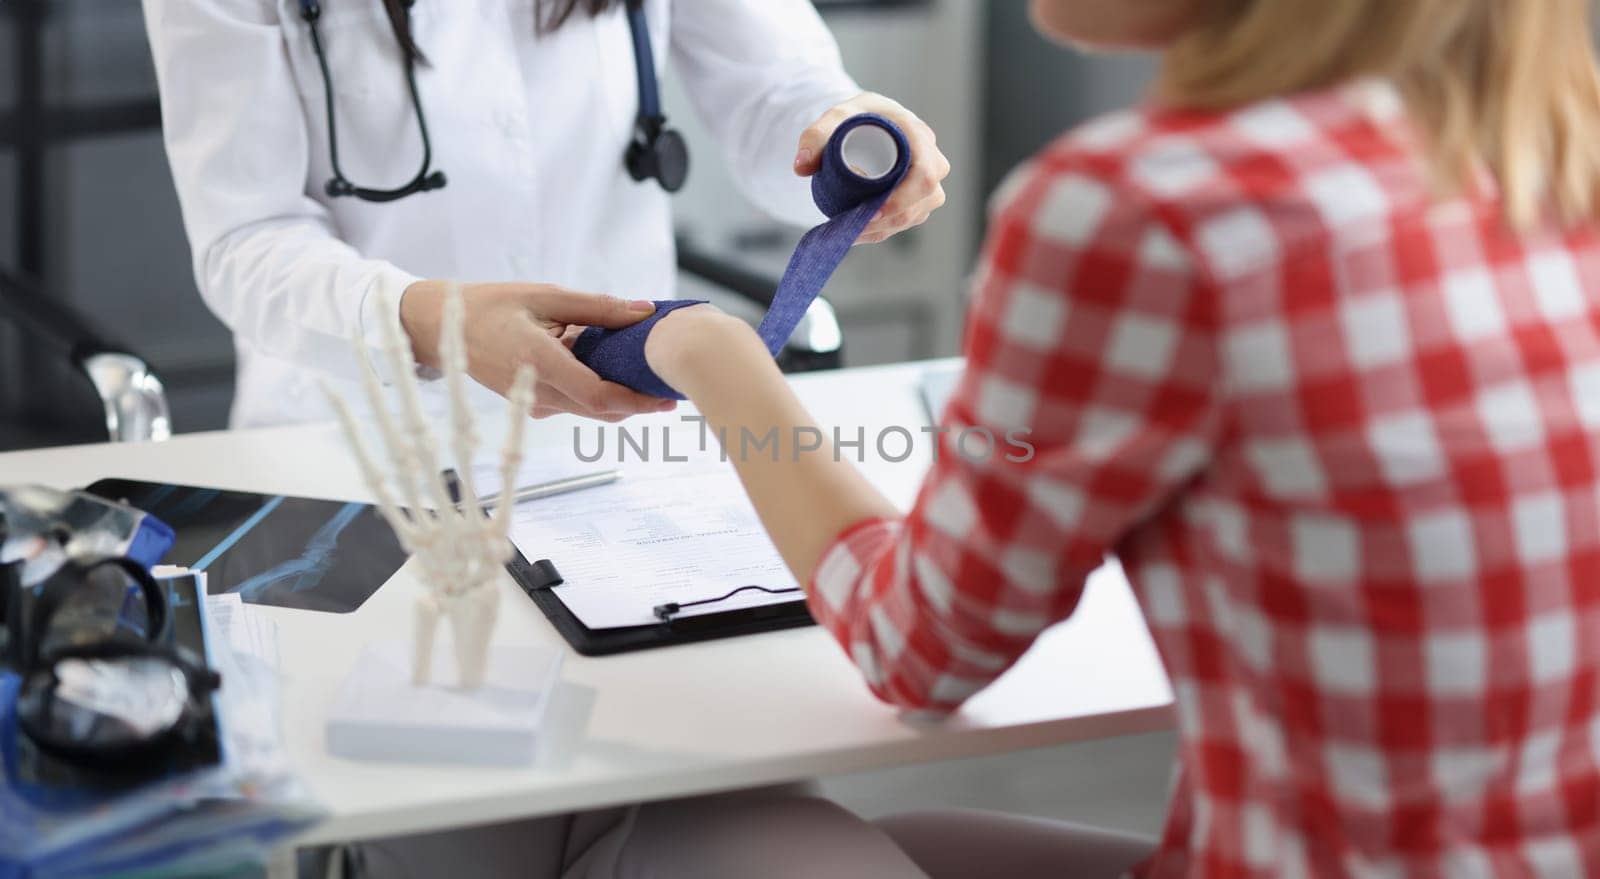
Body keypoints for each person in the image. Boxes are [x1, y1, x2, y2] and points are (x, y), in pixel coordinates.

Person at [626, 0, 1600, 874]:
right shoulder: (1539, 150)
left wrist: (716, 360)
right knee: (912, 838)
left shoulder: (1140, 206)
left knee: (724, 847)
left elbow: (914, 653)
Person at [140, 0, 948, 428]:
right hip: (360, 439)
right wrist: (434, 322)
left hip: (621, 427)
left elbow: (777, 90)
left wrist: (848, 131)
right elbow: (243, 239)